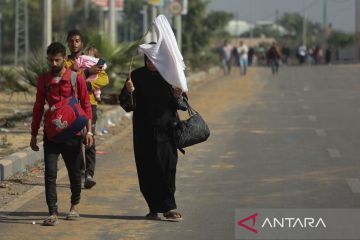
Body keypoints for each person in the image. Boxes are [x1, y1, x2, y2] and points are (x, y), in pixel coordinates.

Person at [30, 42, 93, 226]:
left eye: (57, 60)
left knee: (75, 172)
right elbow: (38, 107)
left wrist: (89, 131)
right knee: (50, 173)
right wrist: (33, 134)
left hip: (73, 133)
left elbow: (86, 105)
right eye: (51, 60)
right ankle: (53, 212)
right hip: (51, 133)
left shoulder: (76, 78)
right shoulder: (43, 80)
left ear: (65, 59)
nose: (54, 64)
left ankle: (74, 206)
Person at [119, 54, 184, 222]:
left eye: (156, 60)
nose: (152, 63)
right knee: (147, 169)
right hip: (143, 131)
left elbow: (182, 104)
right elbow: (127, 105)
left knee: (167, 167)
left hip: (167, 131)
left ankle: (169, 207)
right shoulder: (136, 76)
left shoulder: (170, 75)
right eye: (149, 60)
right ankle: (153, 207)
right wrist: (128, 90)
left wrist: (178, 95)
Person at [65, 29, 109, 189]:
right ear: (68, 43)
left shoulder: (91, 61)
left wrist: (88, 84)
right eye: (71, 40)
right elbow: (68, 80)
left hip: (90, 105)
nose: (74, 43)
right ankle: (82, 172)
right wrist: (87, 73)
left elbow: (104, 78)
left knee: (89, 139)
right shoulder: (65, 63)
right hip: (72, 107)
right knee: (76, 140)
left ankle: (89, 174)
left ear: (82, 43)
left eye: (77, 40)